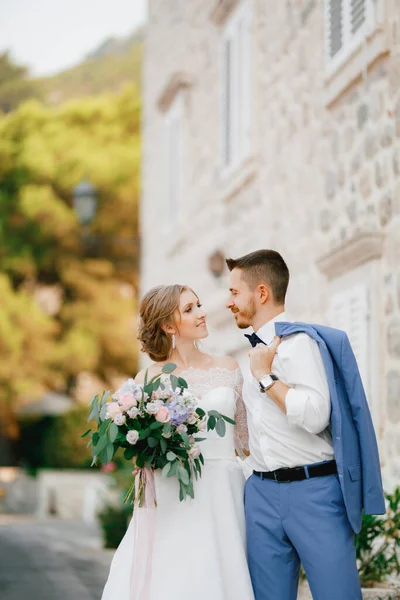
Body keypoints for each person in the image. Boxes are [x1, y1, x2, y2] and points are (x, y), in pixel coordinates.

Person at [226, 249, 385, 600]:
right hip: (261, 493)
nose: (228, 302)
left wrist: (266, 378)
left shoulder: (300, 344)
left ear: (262, 293)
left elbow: (316, 416)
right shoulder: (246, 354)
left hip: (313, 491)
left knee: (337, 595)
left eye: (235, 293)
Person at [101, 284, 254, 600]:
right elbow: (139, 450)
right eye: (190, 309)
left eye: (198, 305)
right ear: (168, 326)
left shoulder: (229, 367)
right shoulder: (147, 381)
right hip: (172, 492)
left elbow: (246, 442)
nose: (202, 313)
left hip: (223, 493)